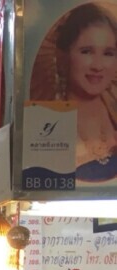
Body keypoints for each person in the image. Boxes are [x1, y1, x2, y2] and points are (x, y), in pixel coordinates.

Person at [36, 4, 117, 182]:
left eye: (108, 53)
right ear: (63, 56)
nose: (98, 65)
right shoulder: (46, 124)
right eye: (86, 51)